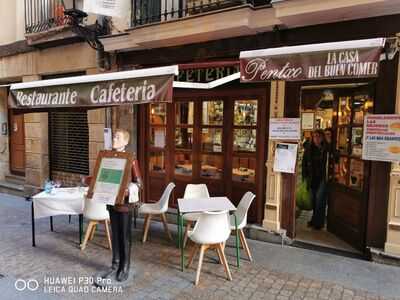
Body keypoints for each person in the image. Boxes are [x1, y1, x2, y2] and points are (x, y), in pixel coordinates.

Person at [102, 129, 142, 282]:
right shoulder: (108, 157)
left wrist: (128, 190)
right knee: (115, 234)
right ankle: (115, 263)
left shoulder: (130, 159)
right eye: (114, 136)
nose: (114, 139)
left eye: (117, 137)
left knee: (124, 236)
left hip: (124, 205)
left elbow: (139, 183)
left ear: (125, 142)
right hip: (112, 202)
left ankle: (125, 266)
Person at [302, 129, 328, 230]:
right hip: (312, 178)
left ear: (322, 138)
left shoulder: (326, 149)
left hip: (322, 178)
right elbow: (304, 163)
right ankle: (314, 219)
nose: (316, 139)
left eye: (319, 136)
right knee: (313, 200)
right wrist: (305, 176)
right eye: (315, 136)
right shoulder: (309, 149)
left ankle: (318, 223)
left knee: (319, 200)